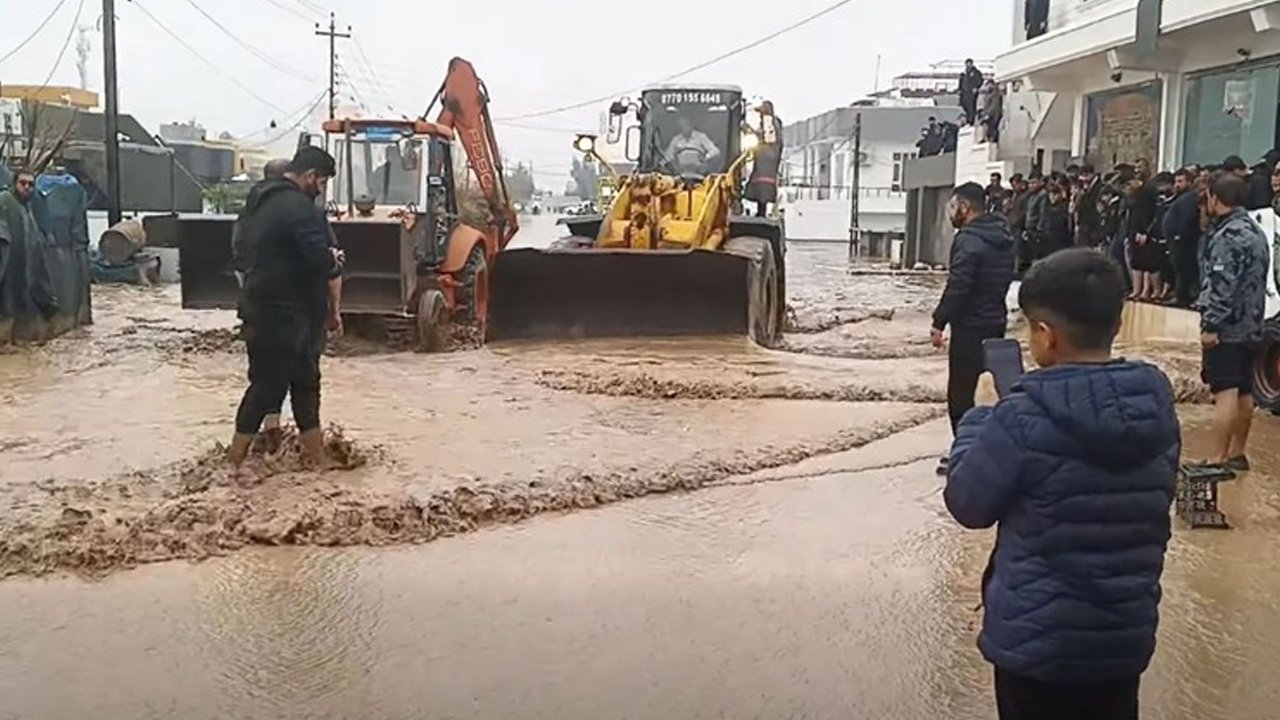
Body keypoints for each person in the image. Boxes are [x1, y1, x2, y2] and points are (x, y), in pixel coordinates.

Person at [945, 248, 1177, 720]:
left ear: (1046, 336)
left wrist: (980, 415)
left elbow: (967, 503)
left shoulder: (1022, 413)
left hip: (1038, 645)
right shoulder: (1155, 402)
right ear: (1116, 323)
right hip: (1122, 639)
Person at [227, 147, 344, 467]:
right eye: (320, 182)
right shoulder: (300, 209)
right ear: (309, 176)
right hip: (291, 316)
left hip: (259, 308)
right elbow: (320, 260)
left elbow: (241, 254)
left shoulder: (257, 203)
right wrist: (331, 258)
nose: (320, 189)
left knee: (271, 386)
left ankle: (239, 463)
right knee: (288, 386)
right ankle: (239, 462)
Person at [930, 182, 1015, 475]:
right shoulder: (1003, 236)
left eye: (953, 206)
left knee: (961, 394)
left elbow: (960, 285)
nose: (951, 212)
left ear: (965, 207)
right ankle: (990, 450)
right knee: (992, 387)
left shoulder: (968, 239)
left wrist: (939, 320)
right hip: (996, 321)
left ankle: (965, 453)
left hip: (969, 326)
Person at [1196, 172, 1270, 473]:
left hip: (1228, 329)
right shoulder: (1255, 231)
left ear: (1215, 198)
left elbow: (1222, 286)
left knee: (1224, 391)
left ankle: (1216, 460)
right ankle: (1238, 453)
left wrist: (1211, 326)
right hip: (1253, 325)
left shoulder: (1227, 237)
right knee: (1243, 391)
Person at [0, 168, 58, 324]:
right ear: (14, 184)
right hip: (7, 268)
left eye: (31, 184)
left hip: (22, 271)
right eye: (23, 183)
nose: (27, 187)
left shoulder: (27, 207)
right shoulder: (5, 201)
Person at [1163, 168, 1202, 308]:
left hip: (1183, 241)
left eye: (1180, 181)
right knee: (1177, 268)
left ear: (1189, 182)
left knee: (1184, 269)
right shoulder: (1179, 198)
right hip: (1174, 240)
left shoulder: (1190, 199)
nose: (1177, 185)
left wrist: (1180, 235)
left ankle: (1183, 296)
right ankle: (1180, 294)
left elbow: (1187, 219)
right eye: (1175, 181)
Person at [745, 101, 784, 218]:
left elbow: (768, 138)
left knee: (762, 185)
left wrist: (749, 130)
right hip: (766, 157)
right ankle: (761, 210)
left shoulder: (770, 122)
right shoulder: (769, 122)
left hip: (766, 158)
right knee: (761, 184)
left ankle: (761, 211)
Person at [959, 59, 984, 126]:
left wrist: (976, 87)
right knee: (965, 107)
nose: (968, 65)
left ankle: (971, 121)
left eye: (969, 63)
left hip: (971, 94)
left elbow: (980, 80)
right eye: (967, 64)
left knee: (971, 108)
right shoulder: (964, 73)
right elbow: (961, 83)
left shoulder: (976, 72)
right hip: (965, 94)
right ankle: (968, 120)